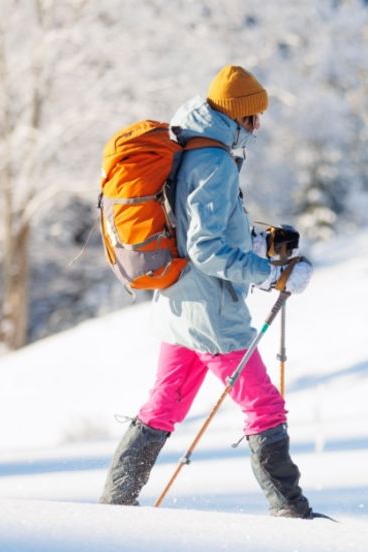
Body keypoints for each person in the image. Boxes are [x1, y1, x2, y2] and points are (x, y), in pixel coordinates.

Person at [100, 65, 320, 519]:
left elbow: (192, 232)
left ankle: (115, 504)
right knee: (264, 406)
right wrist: (271, 275)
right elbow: (205, 248)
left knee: (164, 404)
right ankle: (292, 511)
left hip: (178, 303)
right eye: (255, 117)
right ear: (241, 116)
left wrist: (259, 242)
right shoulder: (214, 161)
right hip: (212, 310)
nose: (258, 127)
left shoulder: (187, 145)